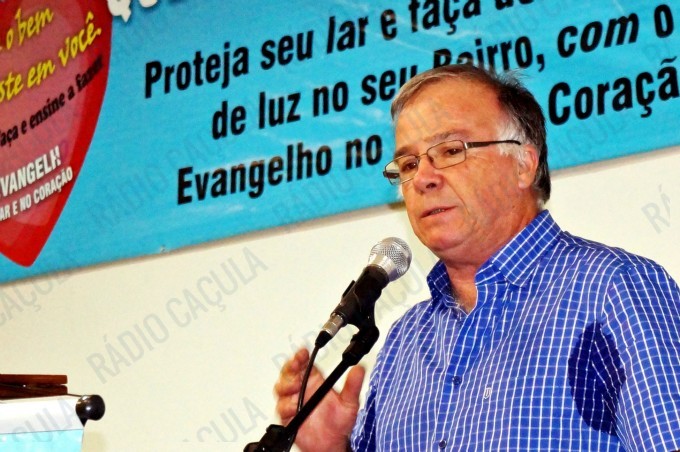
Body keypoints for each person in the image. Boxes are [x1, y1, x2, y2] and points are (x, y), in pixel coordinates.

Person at [274, 64, 680, 451]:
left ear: (524, 164)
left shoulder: (613, 290)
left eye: (451, 150)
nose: (424, 178)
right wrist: (332, 449)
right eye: (409, 163)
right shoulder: (405, 341)